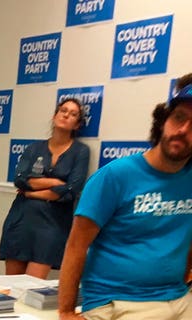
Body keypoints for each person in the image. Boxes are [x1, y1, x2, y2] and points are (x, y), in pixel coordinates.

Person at [58, 77, 192, 320]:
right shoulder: (115, 176)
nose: (183, 130)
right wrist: (66, 312)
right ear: (164, 121)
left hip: (180, 298)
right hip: (120, 302)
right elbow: (76, 245)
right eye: (179, 118)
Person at [0, 98, 90, 279]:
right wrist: (55, 183)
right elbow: (20, 179)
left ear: (77, 124)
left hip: (52, 225)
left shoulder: (80, 152)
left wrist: (31, 192)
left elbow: (71, 190)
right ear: (54, 115)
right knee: (10, 288)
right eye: (63, 110)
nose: (66, 115)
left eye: (73, 114)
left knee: (31, 288)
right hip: (21, 220)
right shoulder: (34, 148)